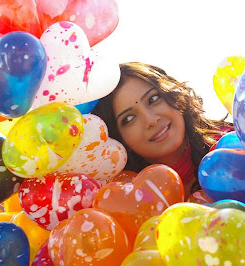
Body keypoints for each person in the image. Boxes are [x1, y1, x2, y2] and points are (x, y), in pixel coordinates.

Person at [92, 62, 233, 199]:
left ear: (173, 94)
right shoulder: (122, 199)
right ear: (117, 139)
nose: (151, 120)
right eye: (129, 119)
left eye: (153, 99)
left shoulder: (237, 145)